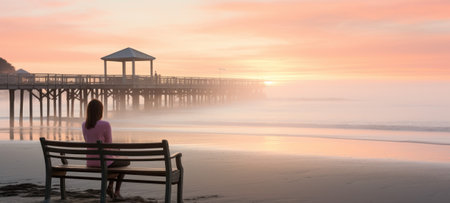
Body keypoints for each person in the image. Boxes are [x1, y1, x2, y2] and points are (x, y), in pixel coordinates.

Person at [82, 99, 130, 200]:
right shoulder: (105, 124)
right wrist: (116, 152)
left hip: (90, 161)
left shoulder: (84, 125)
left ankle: (111, 186)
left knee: (117, 159)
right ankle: (115, 191)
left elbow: (89, 141)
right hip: (103, 162)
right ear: (100, 111)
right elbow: (109, 145)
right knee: (125, 161)